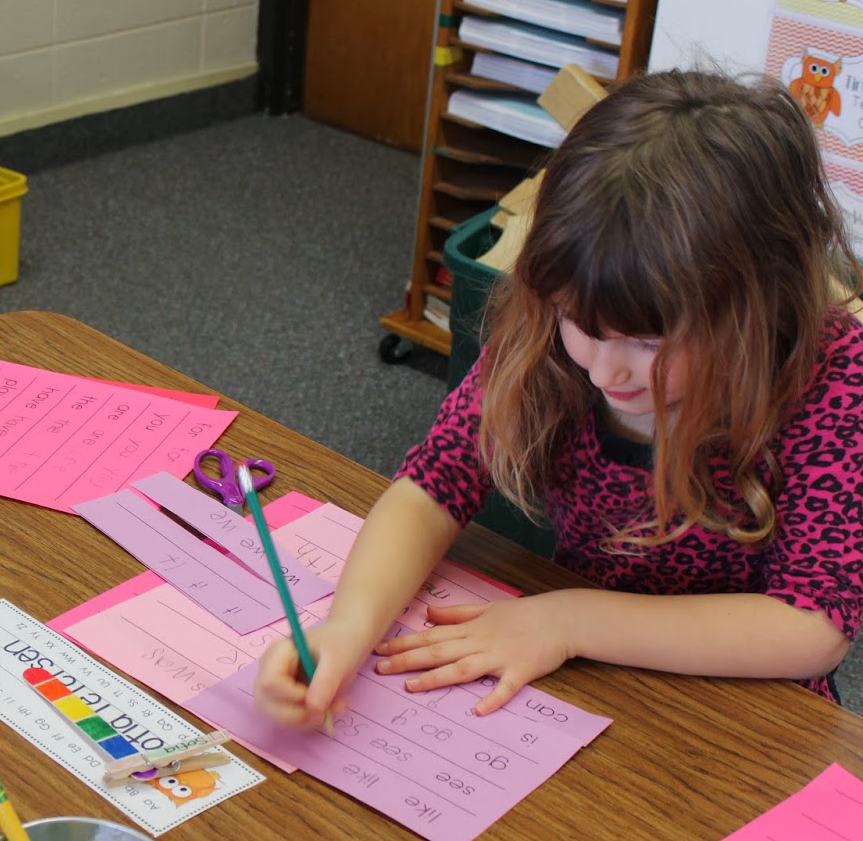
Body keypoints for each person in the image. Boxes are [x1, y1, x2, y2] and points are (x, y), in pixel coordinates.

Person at [256, 69, 863, 728]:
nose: (605, 371)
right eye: (580, 323)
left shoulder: (835, 379)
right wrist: (349, 627)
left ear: (754, 314)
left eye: (648, 343)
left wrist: (571, 620)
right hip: (581, 682)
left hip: (749, 715)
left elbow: (812, 628)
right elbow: (433, 483)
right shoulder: (551, 334)